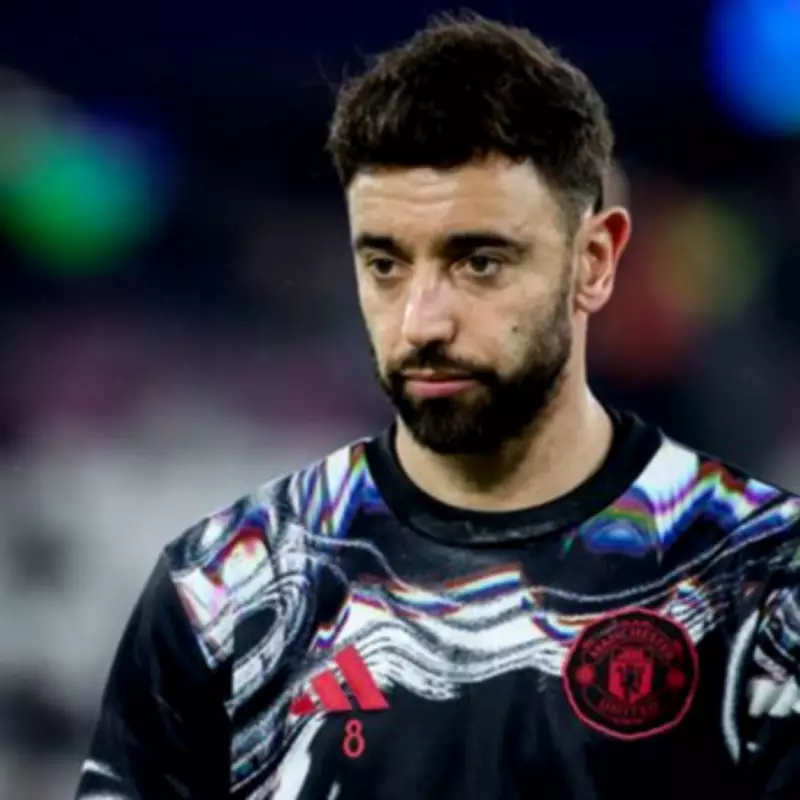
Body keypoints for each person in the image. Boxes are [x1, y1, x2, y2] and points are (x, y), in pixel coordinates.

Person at [75, 12, 800, 800]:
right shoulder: (226, 586)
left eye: (479, 262)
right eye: (385, 264)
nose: (422, 322)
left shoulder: (764, 585)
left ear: (593, 262)